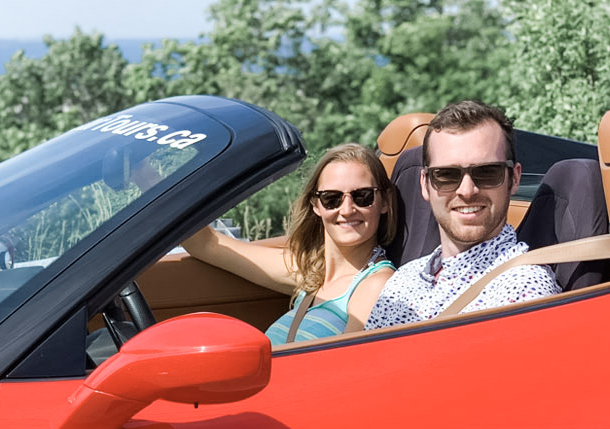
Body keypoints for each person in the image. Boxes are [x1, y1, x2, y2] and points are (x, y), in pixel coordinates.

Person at [366, 100, 560, 329]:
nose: (467, 191)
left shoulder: (523, 288)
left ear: (514, 178)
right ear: (425, 184)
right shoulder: (402, 281)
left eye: (487, 173)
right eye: (446, 175)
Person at [182, 143, 398, 345]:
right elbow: (207, 244)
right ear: (316, 205)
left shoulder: (375, 285)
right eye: (332, 198)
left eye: (363, 196)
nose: (347, 209)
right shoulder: (310, 271)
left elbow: (346, 373)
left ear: (385, 202)